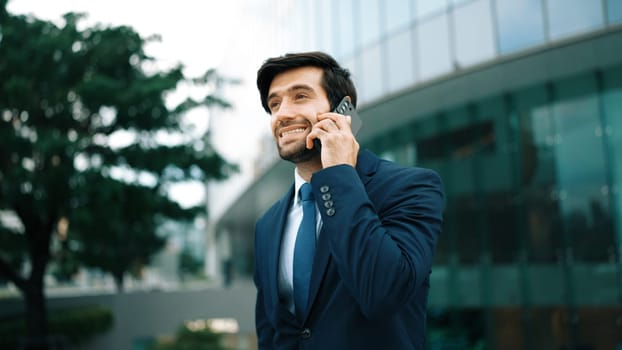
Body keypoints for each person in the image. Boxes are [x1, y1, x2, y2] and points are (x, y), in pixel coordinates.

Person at [253, 51, 444, 349]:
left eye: (300, 96)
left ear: (343, 111)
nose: (282, 113)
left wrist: (339, 173)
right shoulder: (267, 224)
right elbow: (271, 334)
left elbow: (382, 292)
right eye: (274, 104)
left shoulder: (411, 187)